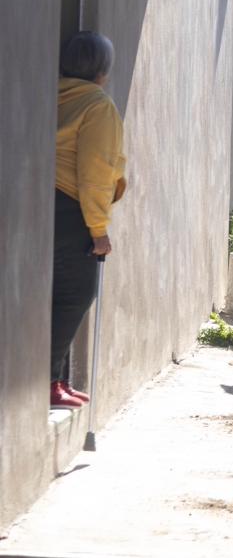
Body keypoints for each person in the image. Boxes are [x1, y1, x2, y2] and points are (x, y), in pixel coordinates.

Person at [52, 31, 127, 410]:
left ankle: (53, 379)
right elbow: (96, 173)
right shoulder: (97, 105)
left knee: (53, 292)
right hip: (72, 207)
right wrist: (99, 230)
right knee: (76, 293)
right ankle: (47, 380)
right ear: (102, 70)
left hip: (44, 203)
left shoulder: (52, 93)